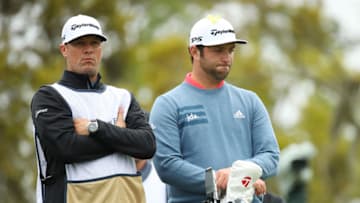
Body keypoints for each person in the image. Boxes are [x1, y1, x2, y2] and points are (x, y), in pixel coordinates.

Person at [149, 14, 280, 203]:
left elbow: (271, 156)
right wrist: (222, 180)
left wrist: (239, 174)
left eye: (230, 50)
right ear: (194, 51)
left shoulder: (250, 101)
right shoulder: (168, 104)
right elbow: (167, 165)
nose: (226, 57)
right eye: (218, 50)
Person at [31, 14, 156, 203]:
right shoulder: (50, 97)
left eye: (94, 43)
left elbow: (147, 145)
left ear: (101, 49)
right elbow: (66, 148)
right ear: (64, 49)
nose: (88, 50)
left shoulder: (122, 97)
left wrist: (97, 128)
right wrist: (121, 136)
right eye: (80, 43)